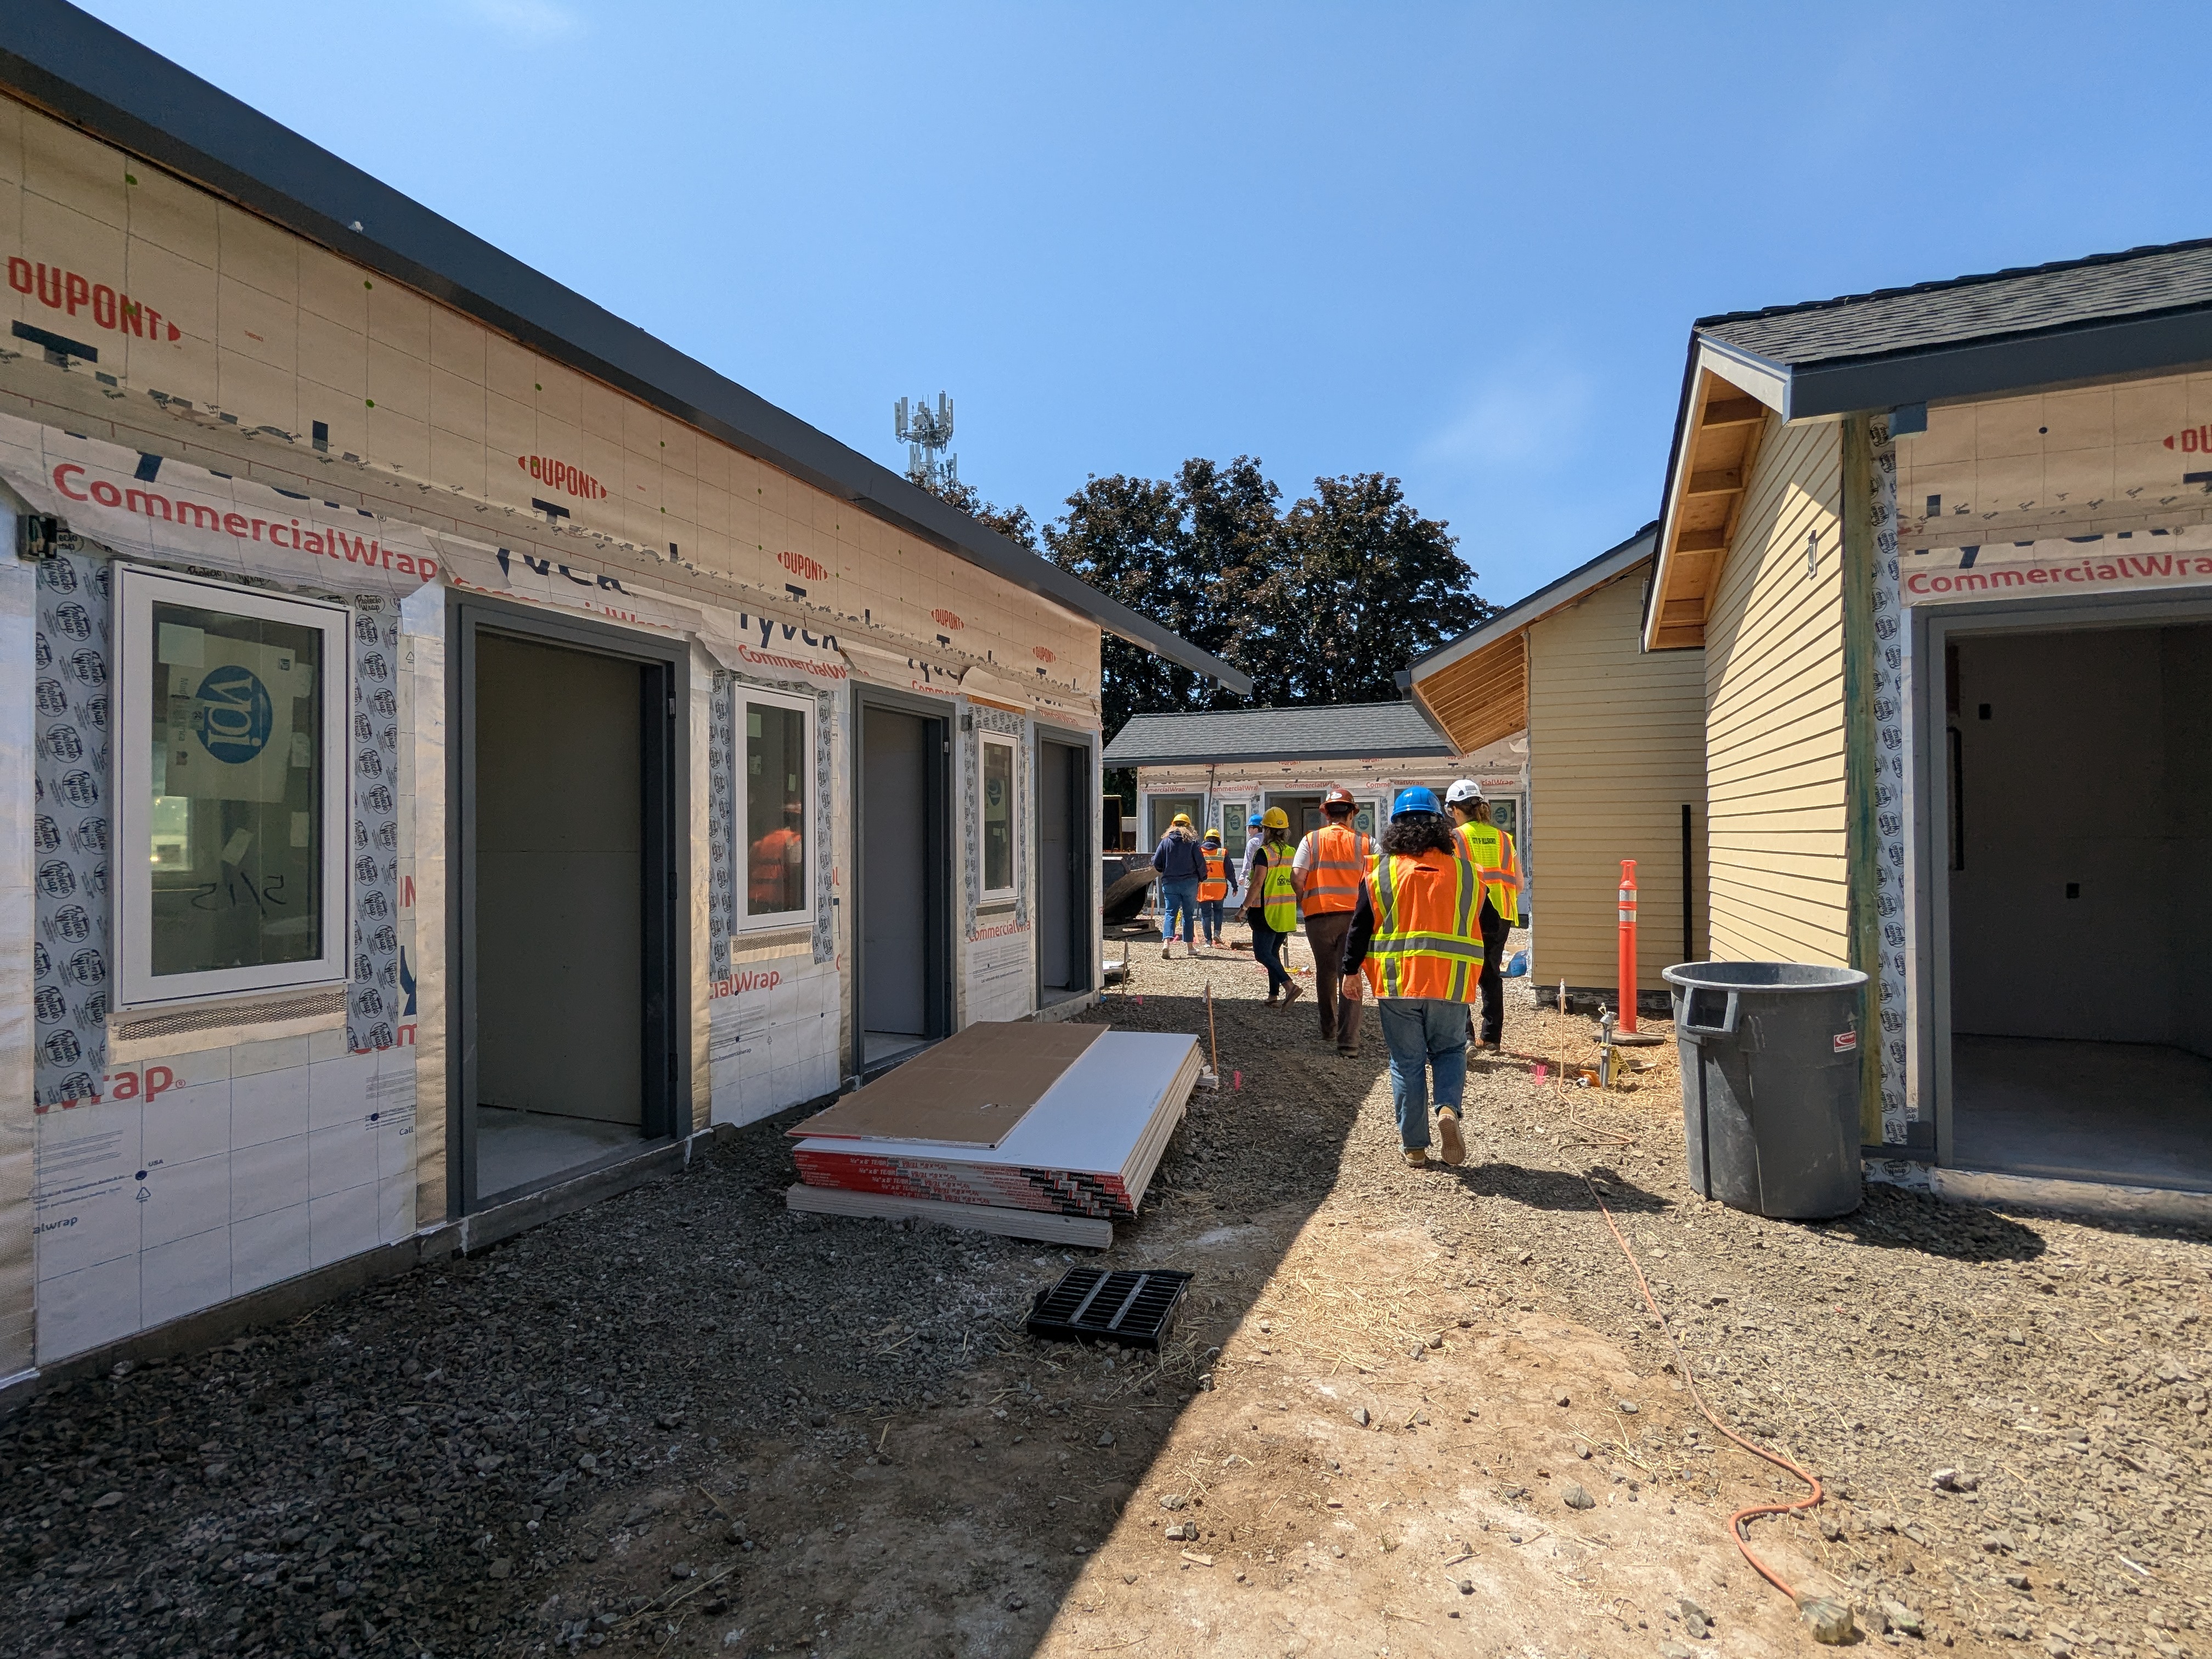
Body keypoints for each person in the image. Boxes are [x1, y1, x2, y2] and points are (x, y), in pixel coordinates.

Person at [1341, 787, 1485, 1169]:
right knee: (1450, 1050)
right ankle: (1449, 1109)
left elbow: (1360, 928)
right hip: (1452, 982)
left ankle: (1416, 1148)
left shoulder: (1381, 871)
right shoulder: (1469, 874)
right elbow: (1483, 924)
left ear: (1396, 828)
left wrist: (1350, 972)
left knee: (1406, 1062)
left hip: (1398, 983)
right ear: (1441, 826)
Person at [1291, 786, 1372, 1057]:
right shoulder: (1366, 843)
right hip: (1355, 920)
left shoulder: (1311, 840)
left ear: (1327, 815)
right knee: (1350, 973)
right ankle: (1348, 1042)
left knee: (1325, 972)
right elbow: (1377, 880)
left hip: (1319, 917)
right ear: (1352, 814)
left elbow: (1297, 876)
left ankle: (1328, 1028)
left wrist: (1306, 900)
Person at [1444, 778, 1520, 1054]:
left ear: (1454, 809)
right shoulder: (1504, 838)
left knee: (1461, 973)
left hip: (1469, 914)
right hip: (1502, 915)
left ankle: (1465, 1037)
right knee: (1490, 975)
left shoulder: (1455, 838)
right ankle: (1491, 1039)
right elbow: (1519, 884)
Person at [1243, 806, 1302, 1008]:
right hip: (1285, 913)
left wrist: (1244, 908)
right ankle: (1273, 995)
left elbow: (1257, 883)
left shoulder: (1264, 853)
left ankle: (1289, 985)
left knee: (1262, 953)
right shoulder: (1293, 852)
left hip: (1266, 912)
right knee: (1273, 952)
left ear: (1266, 830)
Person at [1150, 810, 1206, 959]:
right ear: (1188, 827)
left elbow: (1156, 862)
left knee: (1170, 913)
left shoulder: (1166, 841)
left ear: (1173, 826)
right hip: (1189, 883)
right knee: (1188, 915)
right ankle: (1189, 947)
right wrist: (1202, 877)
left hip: (1170, 883)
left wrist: (1165, 871)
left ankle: (1166, 945)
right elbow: (1200, 862)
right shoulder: (1193, 842)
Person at [1197, 827, 1230, 950]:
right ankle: (1217, 933)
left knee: (1205, 914)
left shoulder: (1200, 851)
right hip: (1219, 889)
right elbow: (1230, 871)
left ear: (1206, 840)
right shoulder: (1223, 852)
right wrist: (1235, 885)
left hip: (1204, 888)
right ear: (1218, 840)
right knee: (1218, 911)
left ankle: (1208, 941)